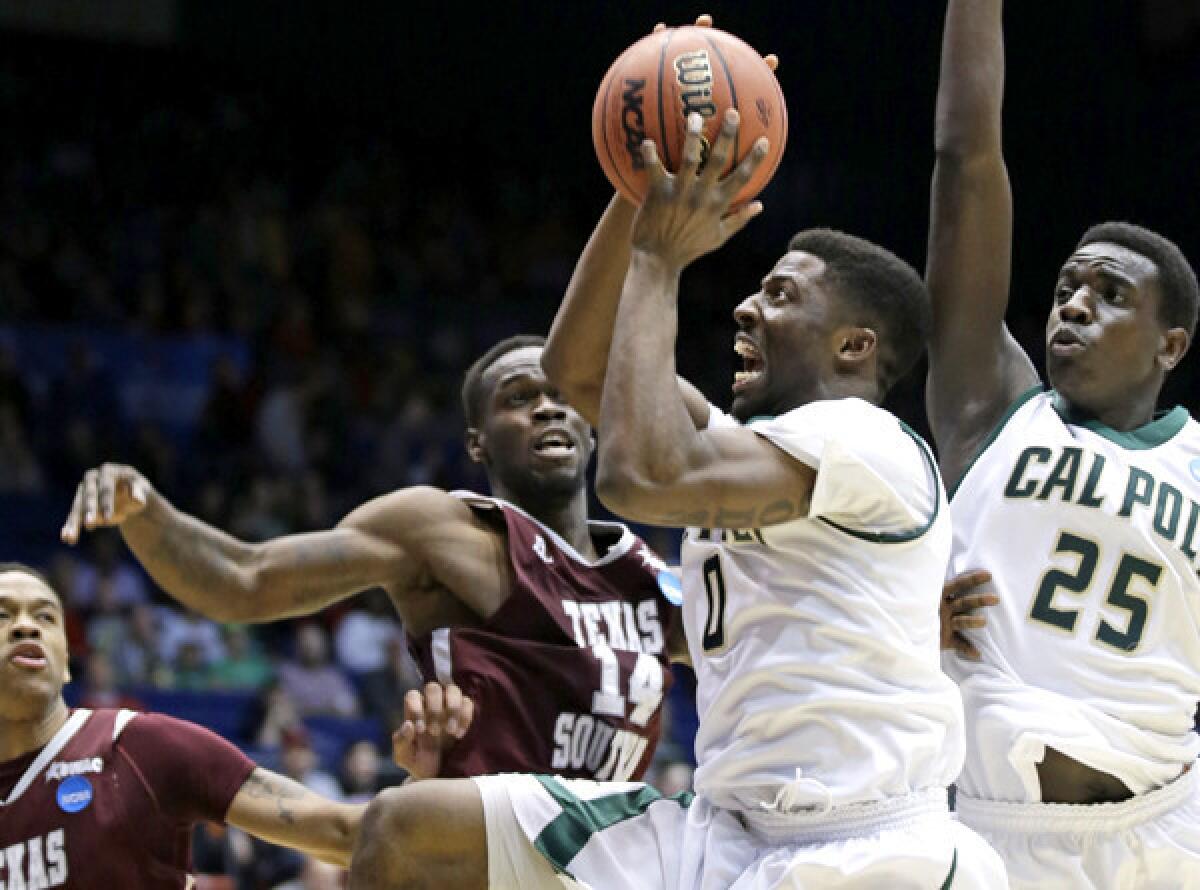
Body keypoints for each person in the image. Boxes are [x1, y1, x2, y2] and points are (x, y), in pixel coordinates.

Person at [348, 106, 1006, 888]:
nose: (747, 307)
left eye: (783, 296)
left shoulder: (866, 442)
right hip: (724, 830)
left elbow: (639, 478)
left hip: (867, 846)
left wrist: (658, 265)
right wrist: (640, 187)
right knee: (407, 831)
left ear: (854, 346)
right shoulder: (742, 445)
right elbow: (576, 373)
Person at [61, 334, 682, 782]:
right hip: (487, 852)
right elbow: (245, 581)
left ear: (591, 423)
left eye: (562, 395)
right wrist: (146, 514)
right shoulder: (437, 530)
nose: (547, 407)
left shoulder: (646, 574)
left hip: (610, 858)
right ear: (477, 443)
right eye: (518, 398)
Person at [925, 1, 1200, 886]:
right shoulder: (993, 408)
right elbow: (967, 165)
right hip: (993, 832)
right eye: (1066, 288)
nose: (1074, 305)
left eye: (1109, 294)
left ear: (1171, 344)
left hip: (1167, 823)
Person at [0, 562, 361, 888]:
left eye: (45, 617)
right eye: (2, 616)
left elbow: (338, 829)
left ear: (66, 661)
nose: (25, 626)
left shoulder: (137, 746)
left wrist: (417, 792)